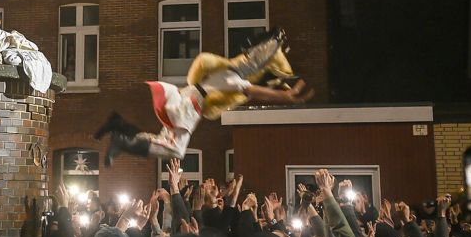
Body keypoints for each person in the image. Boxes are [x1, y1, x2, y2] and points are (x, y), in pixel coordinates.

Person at [95, 29, 313, 161]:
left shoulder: (225, 72)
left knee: (164, 142)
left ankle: (120, 127)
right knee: (176, 151)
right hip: (189, 106)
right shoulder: (233, 78)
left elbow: (254, 68)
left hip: (184, 98)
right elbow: (257, 91)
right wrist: (286, 96)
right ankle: (121, 142)